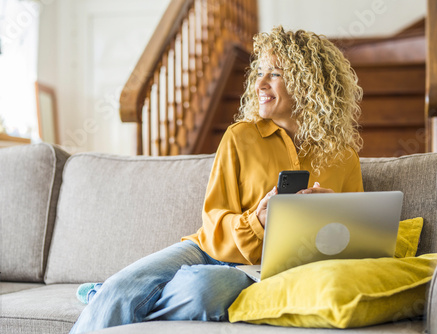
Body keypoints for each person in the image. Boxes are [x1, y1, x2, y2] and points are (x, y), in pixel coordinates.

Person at [69, 25, 364, 333]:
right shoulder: (241, 136)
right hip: (208, 249)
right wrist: (257, 222)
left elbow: (356, 242)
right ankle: (112, 293)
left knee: (204, 292)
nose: (260, 83)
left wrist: (333, 213)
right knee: (122, 287)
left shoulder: (343, 157)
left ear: (308, 84)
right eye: (260, 72)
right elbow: (214, 220)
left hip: (258, 269)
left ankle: (106, 296)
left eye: (275, 74)